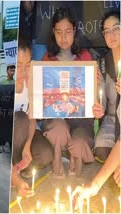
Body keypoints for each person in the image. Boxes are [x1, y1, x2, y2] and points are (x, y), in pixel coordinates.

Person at [41, 7, 95, 178]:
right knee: (58, 128)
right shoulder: (47, 58)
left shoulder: (85, 56)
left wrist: (95, 80)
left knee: (79, 142)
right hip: (56, 114)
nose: (63, 38)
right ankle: (57, 157)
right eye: (59, 32)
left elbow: (92, 94)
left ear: (74, 31)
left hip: (80, 117)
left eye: (68, 32)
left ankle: (74, 155)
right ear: (53, 33)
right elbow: (42, 94)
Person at [11, 34, 54, 196]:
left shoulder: (31, 80)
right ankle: (13, 173)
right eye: (18, 65)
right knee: (19, 118)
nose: (23, 71)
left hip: (23, 133)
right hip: (8, 139)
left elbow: (32, 117)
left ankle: (22, 164)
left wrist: (28, 145)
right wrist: (16, 181)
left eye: (28, 64)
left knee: (45, 154)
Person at [93, 11, 120, 162]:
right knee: (102, 151)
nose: (112, 35)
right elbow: (101, 96)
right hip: (112, 119)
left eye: (116, 28)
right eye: (107, 31)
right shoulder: (102, 64)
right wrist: (99, 108)